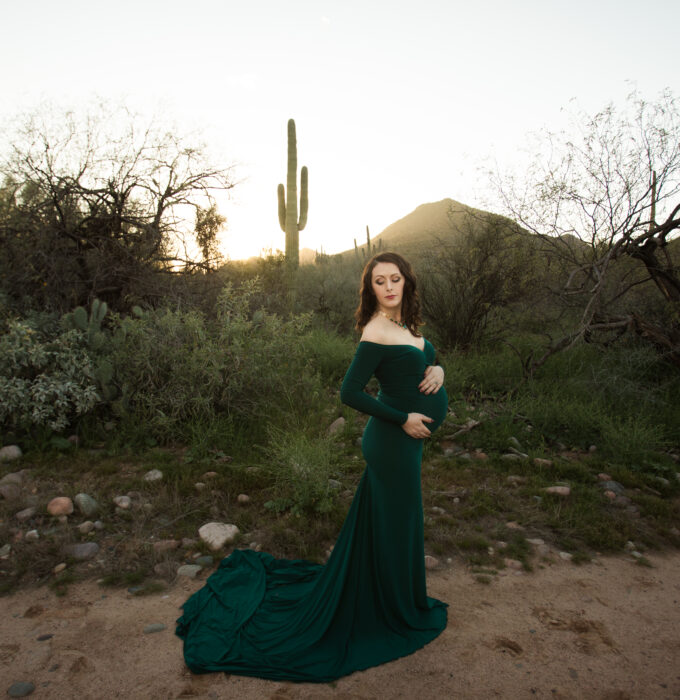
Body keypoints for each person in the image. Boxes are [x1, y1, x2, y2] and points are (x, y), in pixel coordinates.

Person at [176, 251, 448, 682]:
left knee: (394, 523)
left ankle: (395, 598)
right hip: (391, 442)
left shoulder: (407, 326)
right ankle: (389, 608)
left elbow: (426, 356)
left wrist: (440, 369)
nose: (390, 287)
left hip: (407, 446)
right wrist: (403, 418)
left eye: (396, 279)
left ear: (406, 283)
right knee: (398, 523)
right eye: (380, 282)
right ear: (370, 288)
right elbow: (350, 393)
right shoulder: (376, 330)